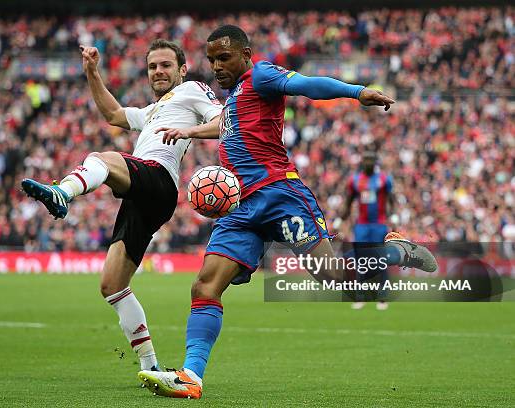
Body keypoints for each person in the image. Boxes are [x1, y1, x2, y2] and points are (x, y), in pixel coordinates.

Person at [138, 25, 437, 399]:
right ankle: (191, 377)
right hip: (239, 206)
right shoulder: (232, 99)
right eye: (212, 59)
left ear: (245, 55)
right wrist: (190, 132)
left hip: (279, 193)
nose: (216, 65)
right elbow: (226, 126)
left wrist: (356, 92)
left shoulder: (261, 75)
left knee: (334, 276)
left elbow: (309, 84)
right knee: (205, 286)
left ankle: (397, 250)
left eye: (224, 57)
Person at [21, 39, 223, 372]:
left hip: (159, 178)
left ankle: (63, 193)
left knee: (103, 158)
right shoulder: (152, 110)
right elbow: (114, 114)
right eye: (152, 67)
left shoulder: (194, 90)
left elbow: (222, 122)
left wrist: (188, 130)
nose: (158, 71)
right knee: (112, 285)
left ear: (182, 69)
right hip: (143, 196)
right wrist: (92, 72)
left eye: (166, 65)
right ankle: (151, 366)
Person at [340, 150, 395, 310]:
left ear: (375, 162)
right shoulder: (355, 180)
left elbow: (390, 200)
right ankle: (360, 296)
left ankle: (382, 297)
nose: (369, 162)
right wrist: (341, 218)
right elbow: (349, 201)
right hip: (362, 226)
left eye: (371, 159)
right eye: (366, 159)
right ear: (362, 162)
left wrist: (393, 217)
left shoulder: (384, 179)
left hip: (379, 224)